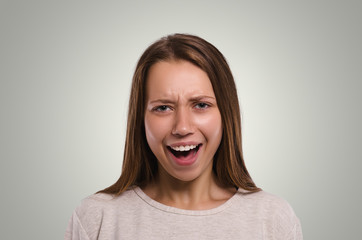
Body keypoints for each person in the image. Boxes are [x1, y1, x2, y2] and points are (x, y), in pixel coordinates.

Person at [65, 33, 303, 240]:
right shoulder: (97, 218)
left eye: (200, 104)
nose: (182, 127)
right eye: (163, 108)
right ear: (140, 119)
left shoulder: (272, 218)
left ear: (226, 114)